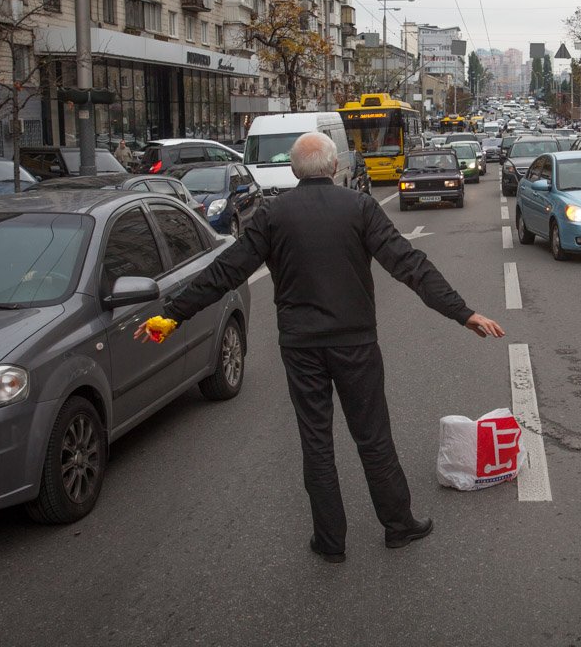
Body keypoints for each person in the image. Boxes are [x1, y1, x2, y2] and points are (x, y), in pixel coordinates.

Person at [135, 132, 505, 564]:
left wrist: (172, 315)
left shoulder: (272, 215)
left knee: (316, 443)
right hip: (356, 344)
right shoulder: (360, 207)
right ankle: (399, 526)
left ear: (294, 171)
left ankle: (330, 542)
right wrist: (462, 313)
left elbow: (226, 271)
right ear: (333, 168)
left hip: (301, 347)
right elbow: (409, 264)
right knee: (373, 437)